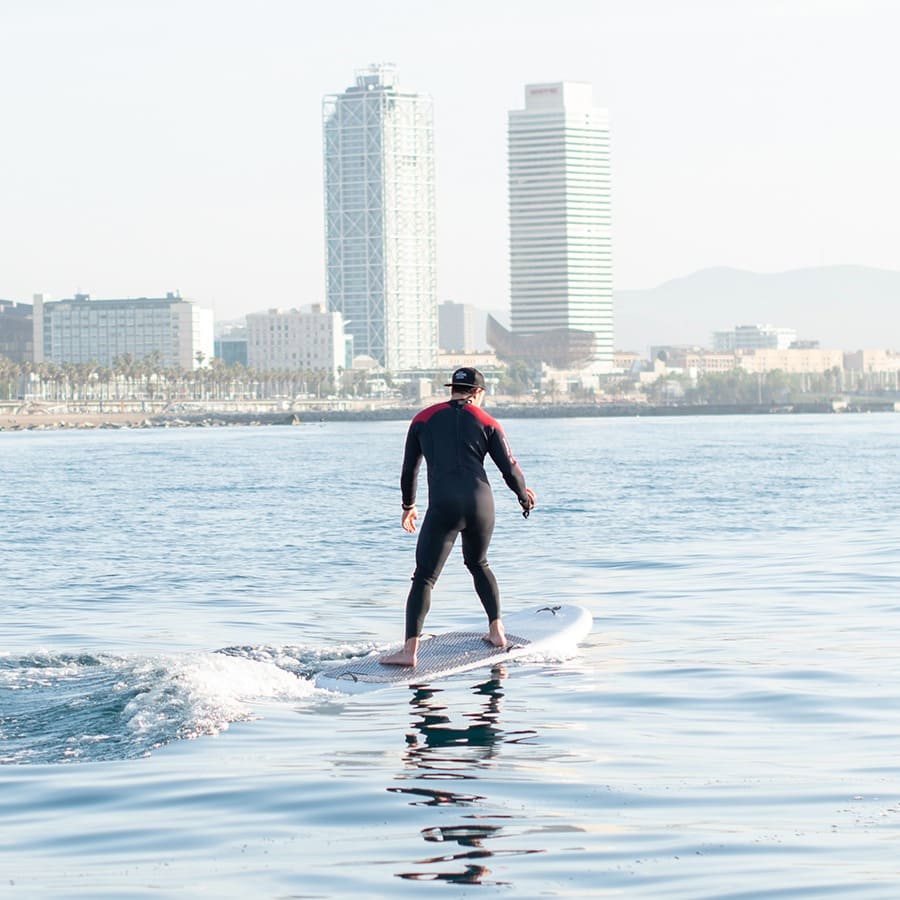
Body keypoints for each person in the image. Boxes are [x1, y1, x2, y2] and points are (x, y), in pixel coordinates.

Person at [381, 367, 536, 667]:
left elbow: (409, 469)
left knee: (424, 577)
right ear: (478, 393)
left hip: (443, 505)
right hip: (481, 504)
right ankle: (497, 633)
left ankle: (409, 652)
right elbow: (510, 467)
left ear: (453, 389)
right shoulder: (488, 421)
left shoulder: (422, 419)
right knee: (479, 564)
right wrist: (523, 496)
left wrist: (408, 505)